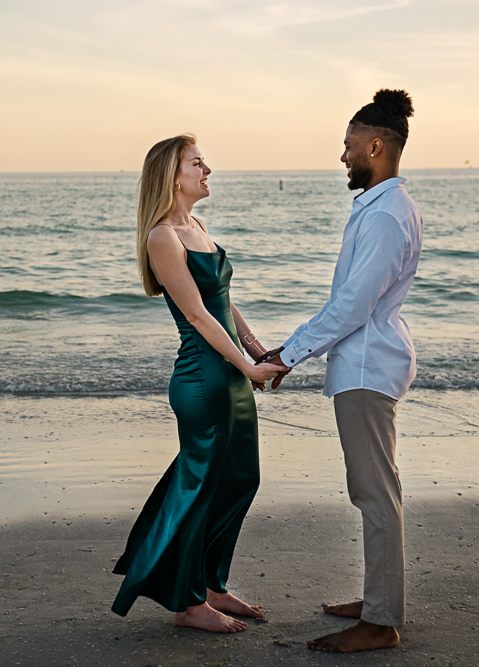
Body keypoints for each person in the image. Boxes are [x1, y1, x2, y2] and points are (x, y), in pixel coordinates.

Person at [267, 89, 423, 652]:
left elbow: (353, 307)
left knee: (374, 493)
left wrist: (286, 356)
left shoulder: (385, 216)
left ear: (376, 146)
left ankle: (381, 622)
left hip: (366, 368)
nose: (343, 157)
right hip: (367, 363)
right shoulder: (382, 209)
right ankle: (379, 598)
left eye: (349, 145)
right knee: (378, 489)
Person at [111, 134, 287, 633]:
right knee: (201, 487)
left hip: (230, 369)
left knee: (239, 479)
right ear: (173, 175)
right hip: (201, 379)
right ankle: (187, 604)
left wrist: (256, 351)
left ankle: (211, 583)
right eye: (197, 163)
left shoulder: (198, 226)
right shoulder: (162, 236)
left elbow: (224, 303)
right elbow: (197, 315)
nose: (208, 169)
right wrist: (248, 369)